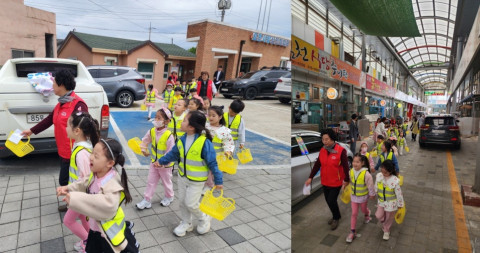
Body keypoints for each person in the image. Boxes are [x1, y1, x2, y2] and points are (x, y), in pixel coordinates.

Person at [22, 69, 88, 212]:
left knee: (68, 181)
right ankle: (74, 203)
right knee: (68, 180)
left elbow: (85, 128)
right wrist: (31, 131)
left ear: (62, 84)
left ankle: (79, 205)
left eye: (54, 83)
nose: (52, 86)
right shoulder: (61, 104)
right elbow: (49, 120)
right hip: (63, 151)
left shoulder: (78, 105)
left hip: (74, 154)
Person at [56, 138, 139, 253]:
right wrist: (68, 188)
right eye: (92, 153)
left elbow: (106, 204)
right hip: (95, 229)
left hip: (107, 235)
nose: (90, 157)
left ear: (110, 163)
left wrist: (75, 199)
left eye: (96, 156)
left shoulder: (112, 182)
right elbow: (84, 182)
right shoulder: (95, 174)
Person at [157, 111, 224, 237]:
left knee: (191, 203)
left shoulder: (204, 142)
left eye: (184, 121)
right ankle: (186, 223)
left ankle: (204, 218)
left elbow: (213, 163)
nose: (181, 123)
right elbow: (173, 154)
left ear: (191, 126)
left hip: (197, 181)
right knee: (182, 202)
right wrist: (161, 161)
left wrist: (218, 181)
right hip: (183, 177)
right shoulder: (182, 139)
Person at [65, 111, 99, 252]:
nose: (66, 128)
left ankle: (89, 244)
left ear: (77, 131)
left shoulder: (82, 153)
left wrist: (72, 194)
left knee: (68, 221)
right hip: (77, 194)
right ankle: (92, 239)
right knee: (83, 218)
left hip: (80, 196)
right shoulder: (81, 145)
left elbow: (87, 179)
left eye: (68, 125)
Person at [304, 128, 350, 230]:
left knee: (331, 200)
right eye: (323, 139)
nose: (325, 142)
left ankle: (336, 217)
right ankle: (335, 215)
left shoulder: (341, 151)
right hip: (325, 181)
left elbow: (346, 167)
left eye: (327, 139)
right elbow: (317, 165)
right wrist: (310, 177)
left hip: (336, 181)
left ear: (332, 138)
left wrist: (347, 180)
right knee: (328, 201)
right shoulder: (323, 150)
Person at [136, 108, 176, 210]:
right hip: (154, 163)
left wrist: (163, 162)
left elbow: (171, 152)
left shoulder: (169, 135)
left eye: (159, 118)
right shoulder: (152, 131)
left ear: (166, 121)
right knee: (151, 181)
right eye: (155, 117)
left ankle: (169, 196)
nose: (156, 120)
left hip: (166, 166)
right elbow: (144, 141)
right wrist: (144, 150)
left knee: (166, 182)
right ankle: (147, 200)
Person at [346, 154, 376, 243]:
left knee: (363, 210)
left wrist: (372, 194)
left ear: (362, 163)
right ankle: (352, 232)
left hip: (363, 197)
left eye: (357, 162)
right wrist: (345, 184)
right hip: (354, 197)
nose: (355, 164)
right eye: (354, 161)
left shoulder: (367, 174)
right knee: (354, 213)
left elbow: (370, 186)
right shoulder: (350, 171)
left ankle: (367, 214)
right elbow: (349, 180)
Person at [205, 105, 234, 190]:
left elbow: (229, 142)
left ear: (220, 117)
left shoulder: (223, 131)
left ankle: (209, 186)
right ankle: (205, 184)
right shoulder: (205, 126)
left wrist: (228, 151)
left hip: (216, 156)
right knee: (205, 171)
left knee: (211, 172)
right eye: (209, 115)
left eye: (213, 115)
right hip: (204, 154)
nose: (210, 117)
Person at [375, 160, 404, 241]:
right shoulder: (379, 176)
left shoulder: (394, 180)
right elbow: (376, 185)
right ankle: (384, 223)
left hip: (391, 204)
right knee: (378, 215)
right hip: (381, 201)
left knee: (389, 218)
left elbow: (399, 194)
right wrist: (374, 192)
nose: (383, 174)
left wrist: (400, 205)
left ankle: (386, 230)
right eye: (382, 171)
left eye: (385, 173)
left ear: (390, 171)